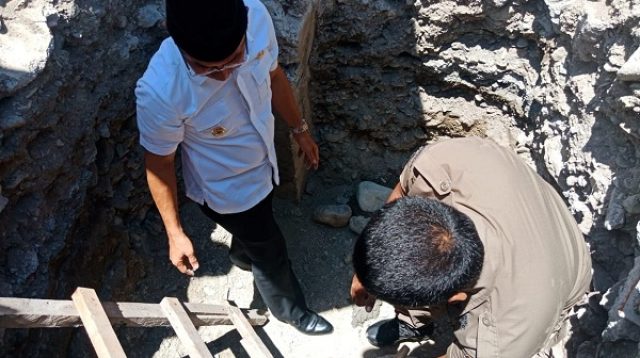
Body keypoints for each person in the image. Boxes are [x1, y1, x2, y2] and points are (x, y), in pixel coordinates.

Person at [135, 0, 332, 335]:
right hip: (227, 190)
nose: (225, 74)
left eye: (234, 59)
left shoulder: (255, 16)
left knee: (260, 226)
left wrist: (300, 130)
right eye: (208, 69)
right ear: (174, 37)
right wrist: (174, 232)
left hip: (264, 163)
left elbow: (274, 76)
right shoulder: (161, 91)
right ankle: (292, 311)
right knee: (271, 251)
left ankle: (243, 255)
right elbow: (159, 163)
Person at [351, 137, 592, 357]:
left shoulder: (506, 336)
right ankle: (414, 323)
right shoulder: (444, 161)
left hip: (561, 271)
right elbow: (404, 189)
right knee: (420, 268)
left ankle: (428, 319)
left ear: (456, 298)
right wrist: (366, 273)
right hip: (525, 214)